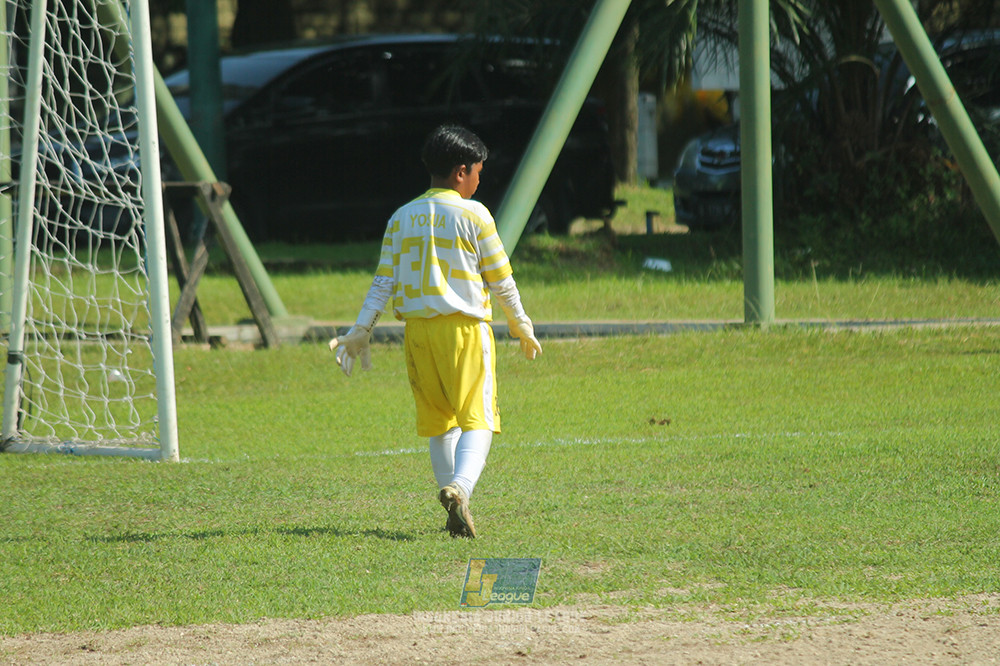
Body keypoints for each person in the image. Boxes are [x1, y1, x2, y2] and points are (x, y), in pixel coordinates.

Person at [329, 124, 542, 539]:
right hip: (464, 332)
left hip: (418, 337)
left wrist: (361, 330)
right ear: (461, 172)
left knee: (441, 423)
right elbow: (500, 279)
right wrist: (520, 323)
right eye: (479, 171)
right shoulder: (475, 214)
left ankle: (454, 510)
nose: (481, 180)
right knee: (479, 419)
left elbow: (382, 284)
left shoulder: (400, 218)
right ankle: (460, 489)